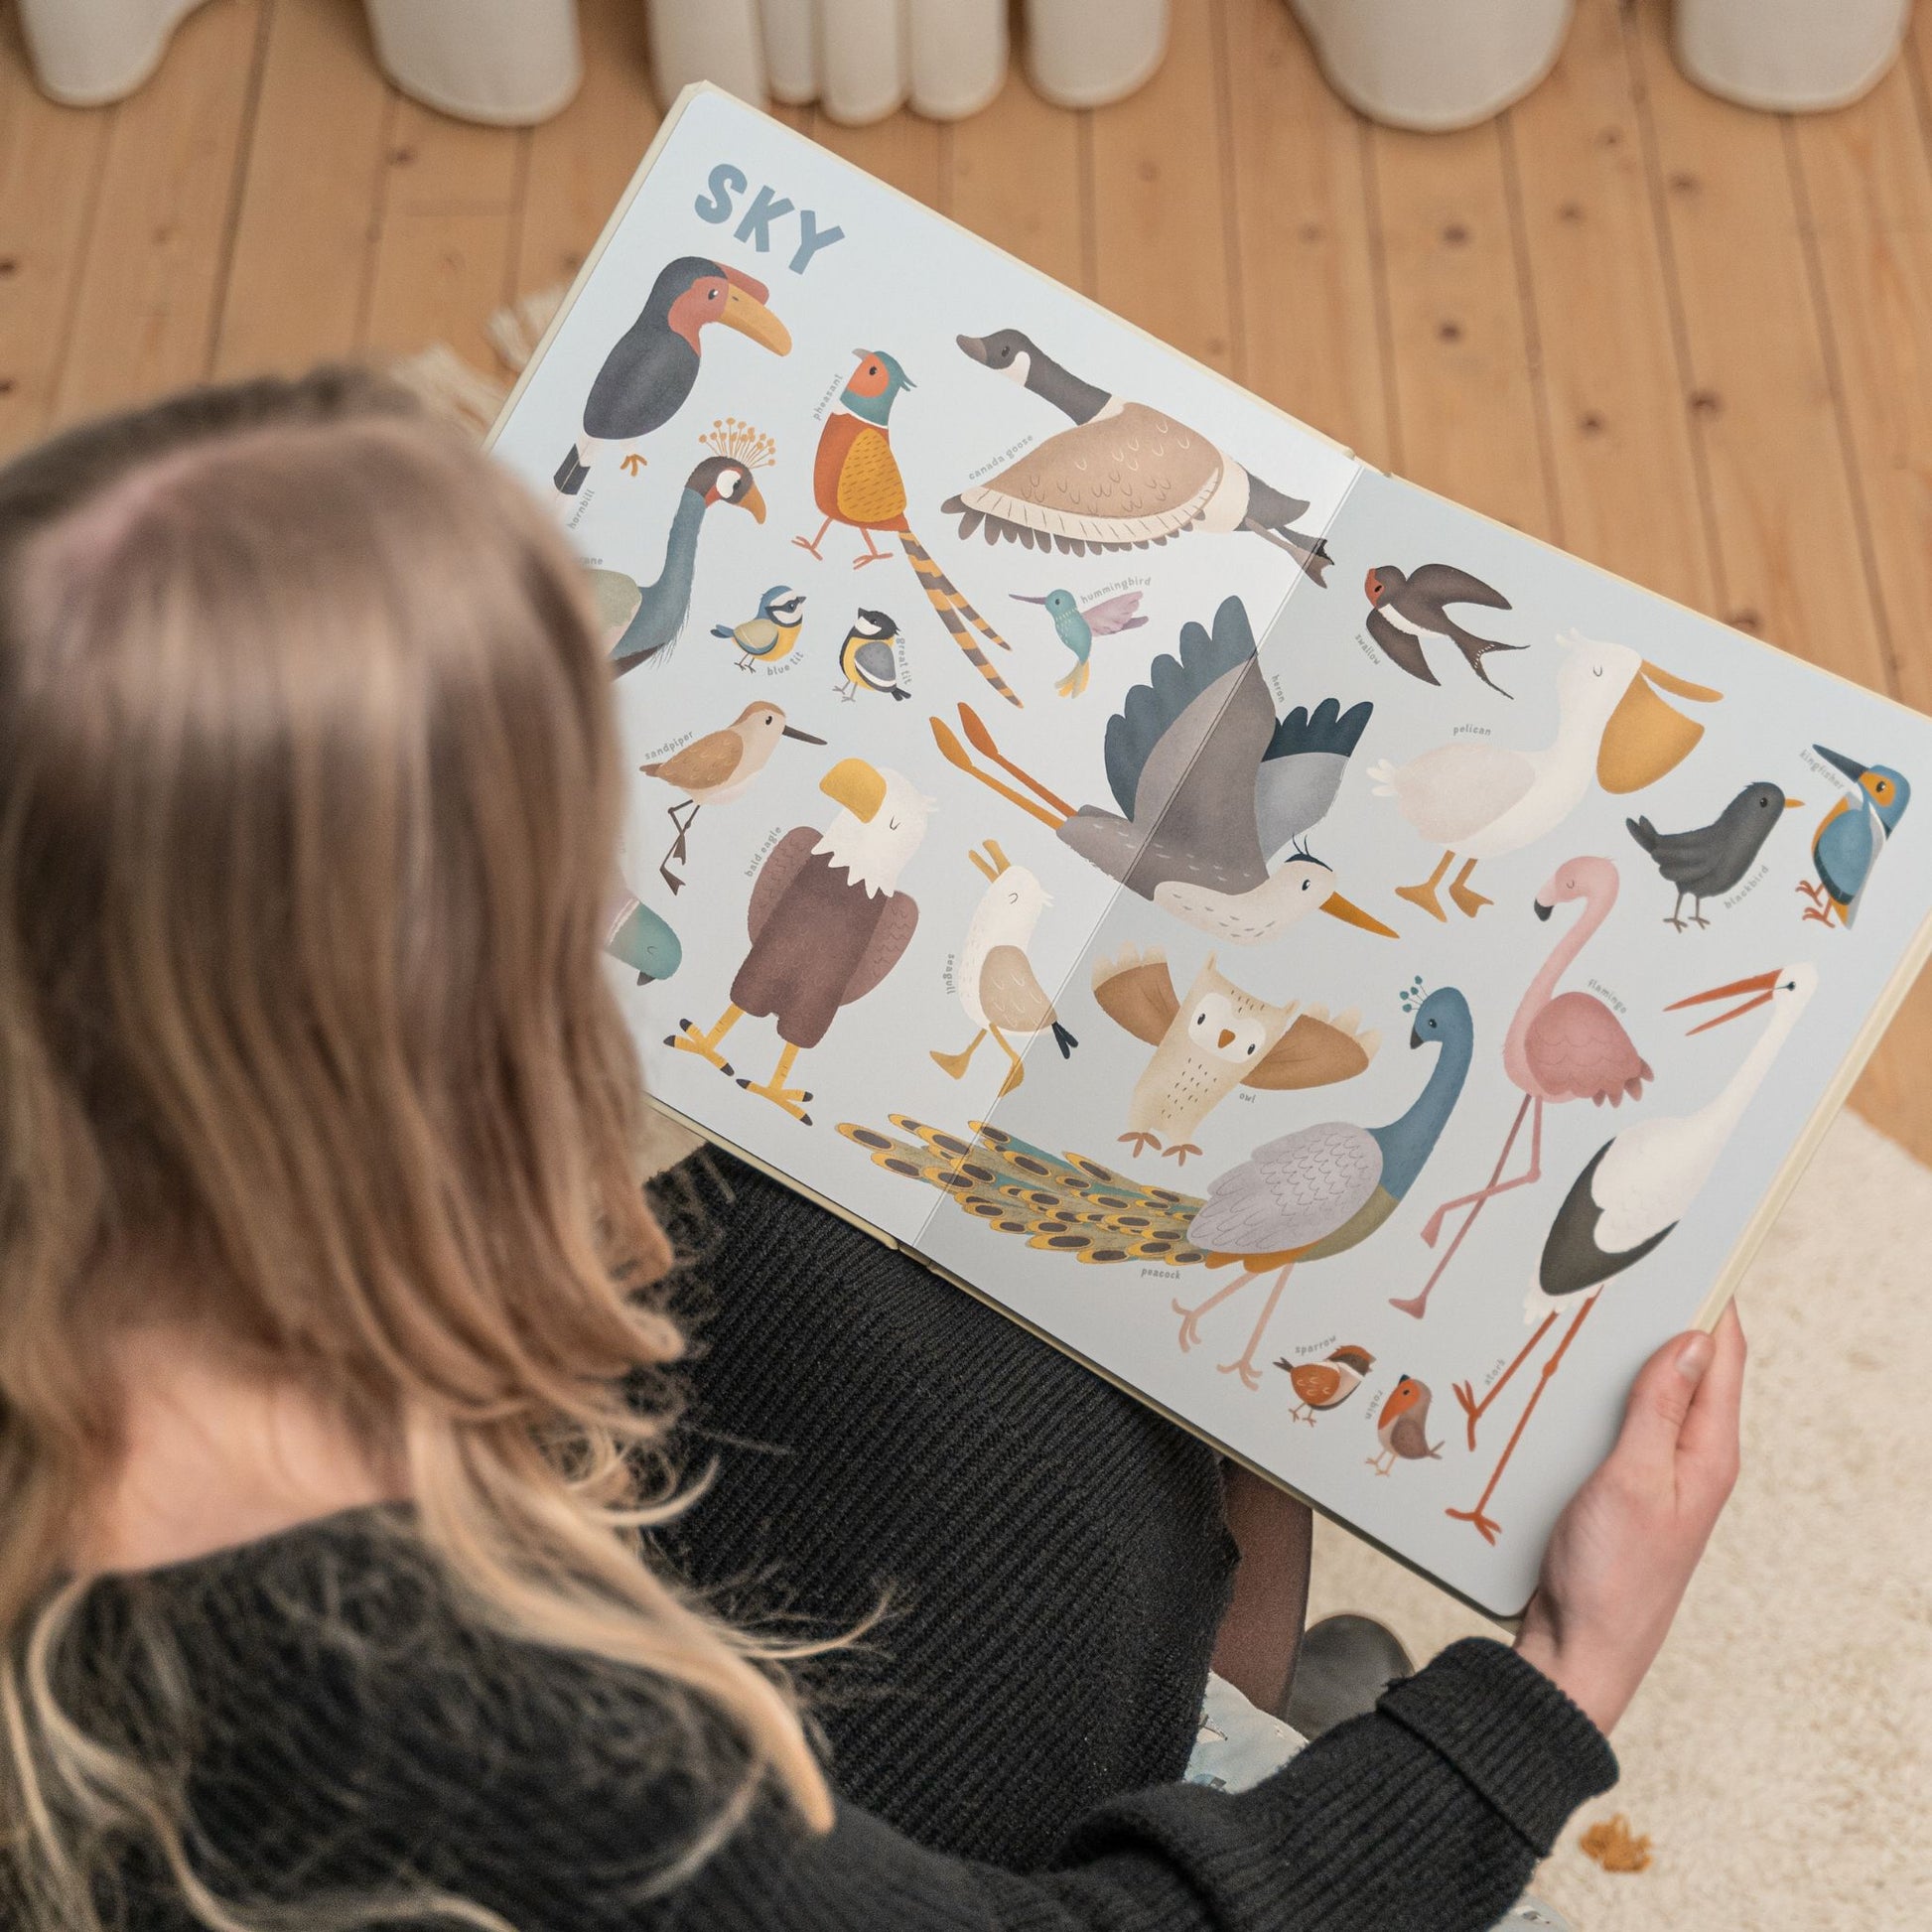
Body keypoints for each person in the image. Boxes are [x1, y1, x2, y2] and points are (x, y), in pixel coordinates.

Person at [0, 368, 1745, 1932]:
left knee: (953, 1278)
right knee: (1088, 1426)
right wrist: (1542, 1693)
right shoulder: (493, 1745)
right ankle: (1251, 1763)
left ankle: (1248, 1727)